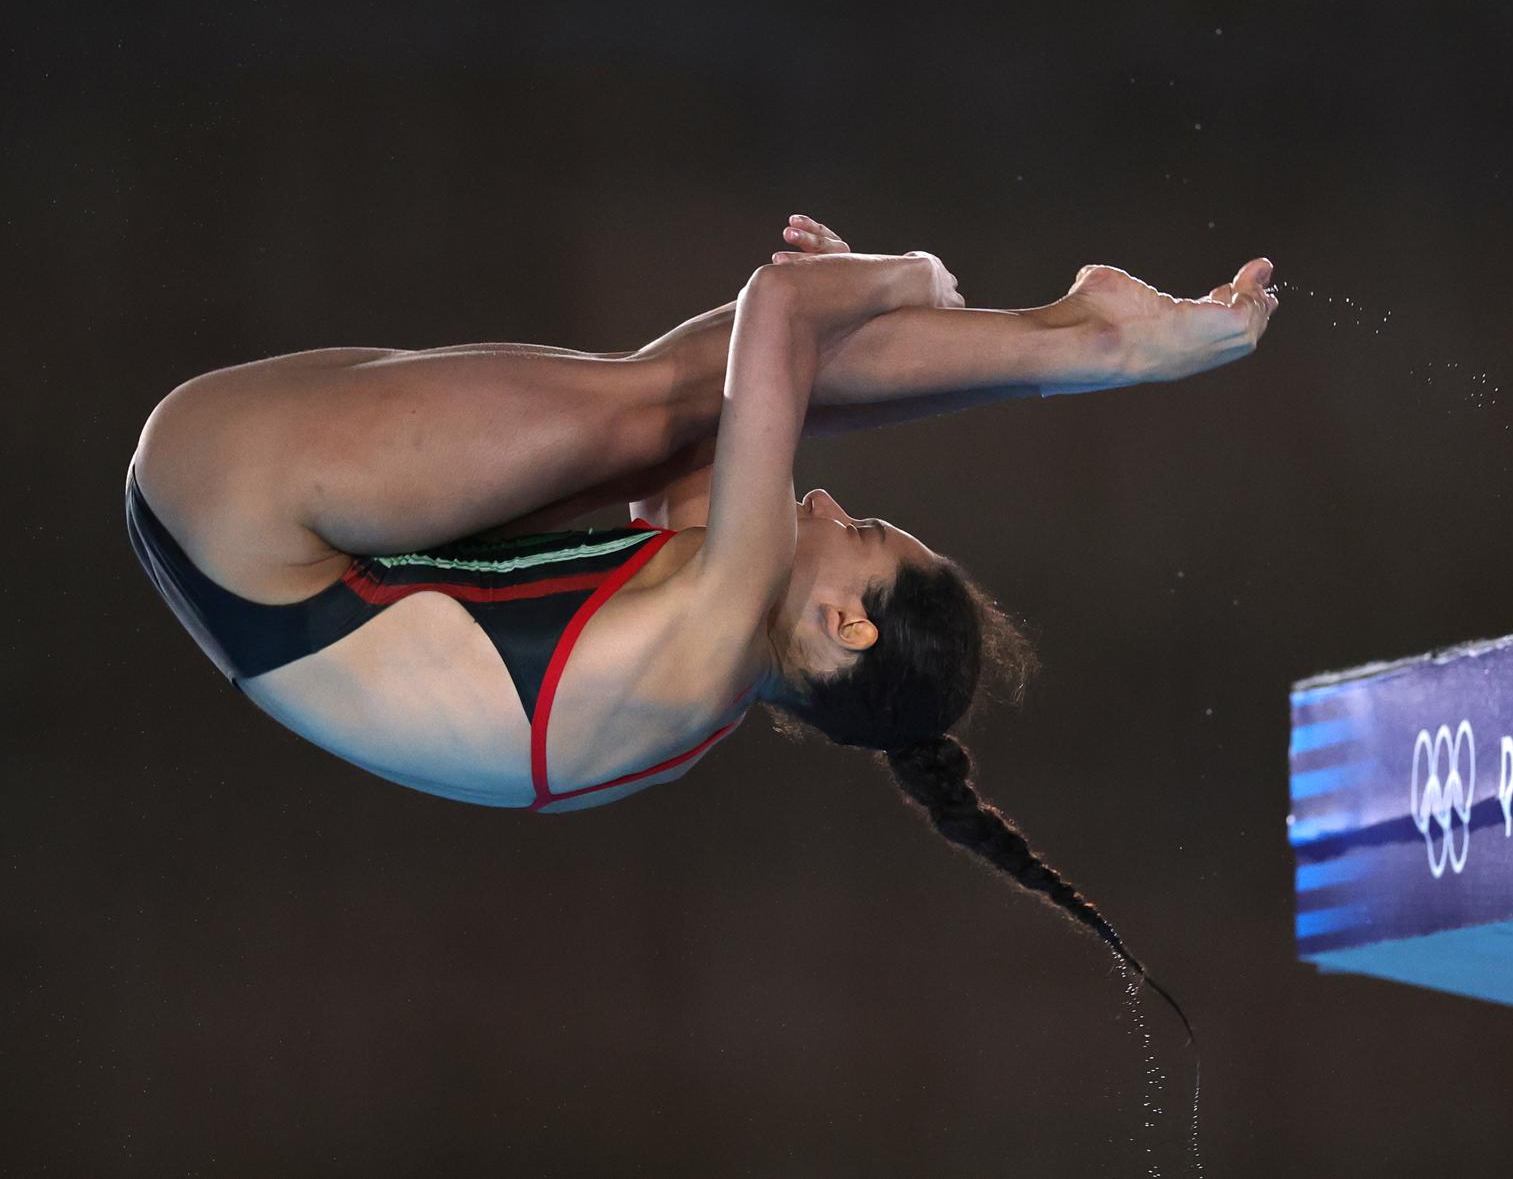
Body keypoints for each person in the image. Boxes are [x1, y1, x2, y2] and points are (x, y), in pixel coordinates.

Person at [127, 214, 1278, 1032]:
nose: (824, 501)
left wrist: (902, 276)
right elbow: (731, 410)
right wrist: (835, 311)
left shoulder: (721, 623)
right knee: (691, 405)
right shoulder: (719, 666)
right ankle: (1083, 340)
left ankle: (1093, 343)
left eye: (864, 526)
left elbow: (771, 311)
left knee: (658, 396)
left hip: (240, 505)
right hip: (254, 560)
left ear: (847, 624)